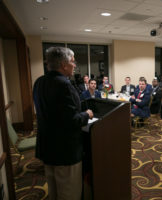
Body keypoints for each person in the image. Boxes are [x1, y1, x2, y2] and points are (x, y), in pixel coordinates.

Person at [33, 47, 93, 200]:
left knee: (54, 191)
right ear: (64, 65)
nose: (75, 65)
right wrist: (87, 114)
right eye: (73, 62)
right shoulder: (64, 85)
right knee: (68, 193)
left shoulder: (39, 82)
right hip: (65, 152)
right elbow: (72, 120)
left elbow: (51, 115)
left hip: (47, 148)